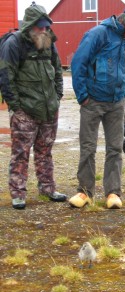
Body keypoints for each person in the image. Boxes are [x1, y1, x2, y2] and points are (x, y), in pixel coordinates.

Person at [69, 4, 125, 209]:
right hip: (92, 101)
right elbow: (78, 63)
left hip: (117, 103)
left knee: (114, 148)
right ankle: (84, 192)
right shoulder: (98, 34)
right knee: (88, 147)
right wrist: (82, 96)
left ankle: (113, 193)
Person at [0, 3, 66, 209]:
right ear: (29, 25)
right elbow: (6, 76)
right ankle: (18, 193)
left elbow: (57, 71)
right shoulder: (14, 44)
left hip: (49, 109)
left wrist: (57, 96)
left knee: (45, 151)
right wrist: (16, 107)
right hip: (25, 111)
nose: (44, 30)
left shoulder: (49, 42)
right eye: (40, 27)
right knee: (20, 153)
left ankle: (47, 188)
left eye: (46, 26)